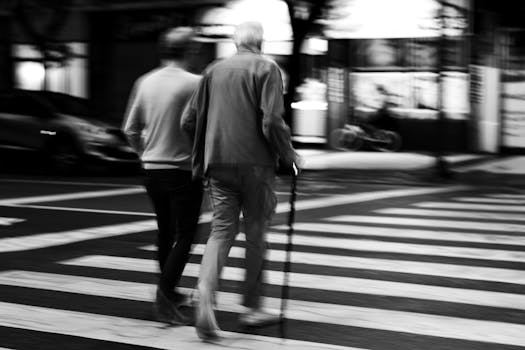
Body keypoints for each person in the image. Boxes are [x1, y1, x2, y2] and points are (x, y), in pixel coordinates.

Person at [181, 21, 299, 341]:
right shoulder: (267, 69)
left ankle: (205, 293)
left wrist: (208, 145)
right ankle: (252, 307)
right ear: (261, 42)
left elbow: (188, 120)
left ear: (236, 44)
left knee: (221, 232)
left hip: (217, 162)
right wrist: (288, 155)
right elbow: (272, 120)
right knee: (256, 231)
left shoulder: (213, 71)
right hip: (256, 165)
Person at [122, 27, 203, 325]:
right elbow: (202, 126)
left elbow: (130, 129)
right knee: (186, 234)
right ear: (190, 50)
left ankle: (170, 290)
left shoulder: (144, 81)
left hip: (152, 170)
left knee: (165, 232)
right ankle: (165, 294)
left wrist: (145, 153)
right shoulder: (196, 82)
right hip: (182, 169)